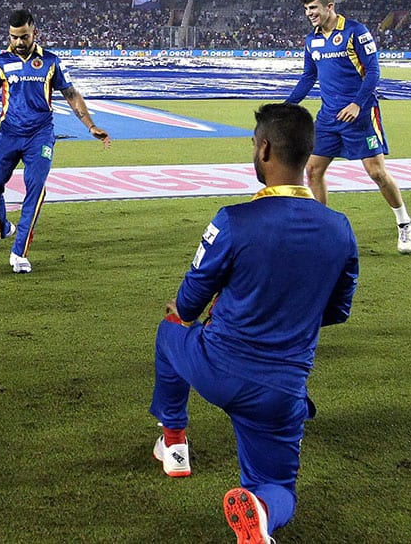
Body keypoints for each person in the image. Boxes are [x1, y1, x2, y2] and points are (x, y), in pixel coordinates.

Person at [148, 103, 359, 542]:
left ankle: (174, 443)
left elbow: (188, 304)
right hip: (281, 389)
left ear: (264, 149)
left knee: (170, 330)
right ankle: (261, 513)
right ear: (308, 151)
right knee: (277, 487)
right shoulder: (340, 229)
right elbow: (337, 311)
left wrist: (203, 312)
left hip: (216, 366)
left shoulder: (233, 220)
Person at [0, 8, 110, 274]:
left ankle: (19, 252)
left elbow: (71, 94)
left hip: (39, 135)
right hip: (7, 134)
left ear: (34, 33)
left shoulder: (51, 62)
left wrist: (90, 125)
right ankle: (2, 227)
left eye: (23, 37)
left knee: (35, 189)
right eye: (14, 37)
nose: (18, 42)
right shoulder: (0, 62)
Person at [285, 0, 411, 254]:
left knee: (377, 173)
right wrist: (286, 107)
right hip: (328, 118)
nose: (310, 14)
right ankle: (321, 230)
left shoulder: (355, 31)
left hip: (361, 114)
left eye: (314, 8)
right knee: (313, 170)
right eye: (306, 9)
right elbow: (309, 77)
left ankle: (404, 222)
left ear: (329, 7)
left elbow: (373, 72)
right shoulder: (312, 40)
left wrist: (358, 104)